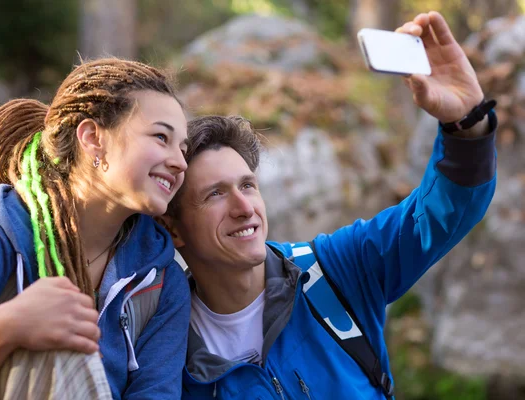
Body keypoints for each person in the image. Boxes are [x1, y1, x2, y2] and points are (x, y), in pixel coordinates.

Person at [159, 12, 497, 399]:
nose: (243, 207)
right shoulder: (168, 354)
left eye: (248, 185)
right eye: (215, 194)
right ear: (174, 228)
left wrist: (466, 123)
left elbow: (441, 212)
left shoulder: (332, 272)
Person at [0, 58, 191, 399]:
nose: (180, 162)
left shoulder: (162, 282)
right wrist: (7, 327)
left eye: (182, 149)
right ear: (93, 138)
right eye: (161, 137)